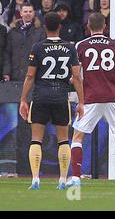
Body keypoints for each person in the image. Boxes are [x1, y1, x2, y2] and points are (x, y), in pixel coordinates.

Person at [67, 13, 115, 188]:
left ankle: (75, 178)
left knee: (78, 137)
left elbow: (76, 75)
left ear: (88, 26)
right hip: (112, 96)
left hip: (91, 97)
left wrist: (76, 81)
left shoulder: (81, 45)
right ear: (104, 27)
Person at [18, 12, 84, 190]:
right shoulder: (70, 48)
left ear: (44, 27)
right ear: (60, 27)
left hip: (40, 97)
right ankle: (62, 180)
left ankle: (35, 180)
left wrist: (23, 99)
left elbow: (30, 75)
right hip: (61, 97)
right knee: (63, 140)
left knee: (36, 140)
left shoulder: (37, 47)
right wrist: (81, 101)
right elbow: (77, 76)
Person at [2, 2, 45, 81]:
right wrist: (6, 72)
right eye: (25, 11)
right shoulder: (12, 31)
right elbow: (7, 53)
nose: (28, 14)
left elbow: (42, 54)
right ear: (21, 13)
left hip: (33, 76)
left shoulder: (40, 31)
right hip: (15, 75)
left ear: (34, 13)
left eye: (30, 11)